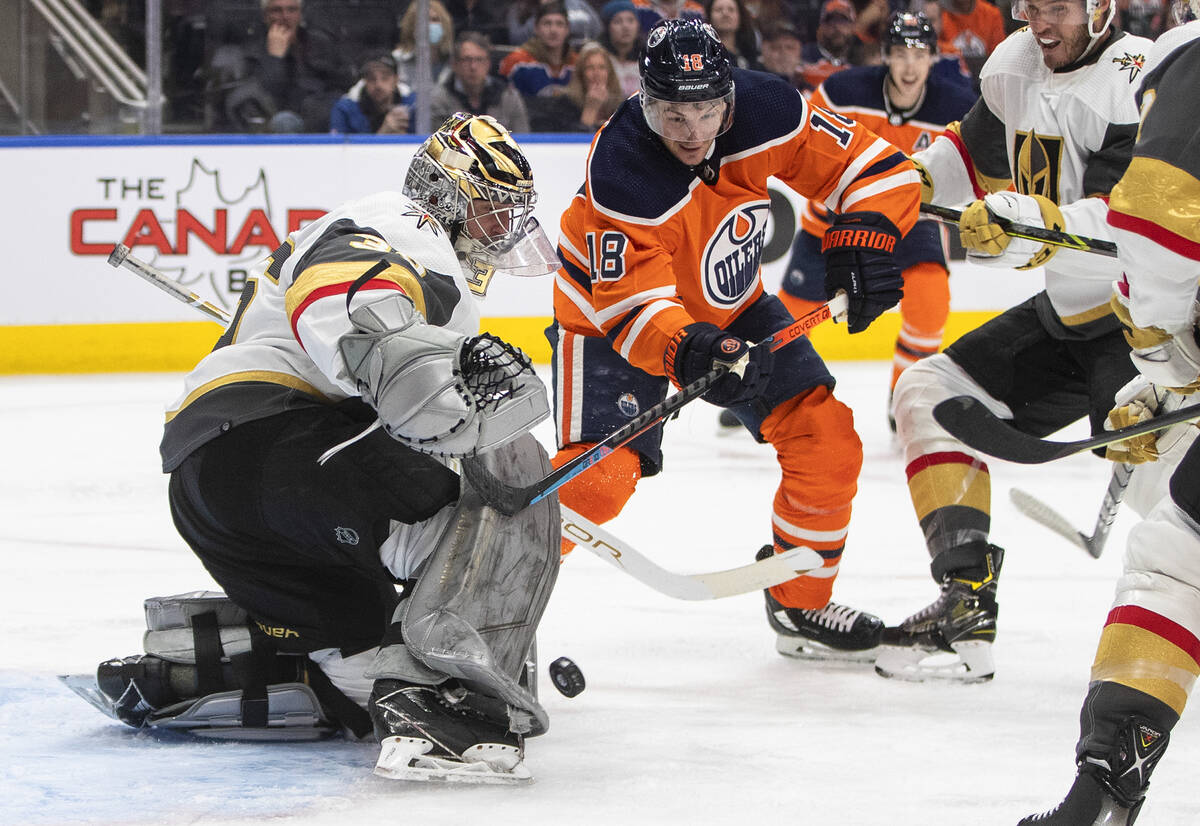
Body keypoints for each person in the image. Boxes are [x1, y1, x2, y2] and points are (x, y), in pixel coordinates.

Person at [81, 114, 563, 784]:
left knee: (363, 669)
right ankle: (438, 705)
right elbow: (340, 288)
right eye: (490, 214)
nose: (502, 233)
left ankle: (203, 666)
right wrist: (423, 385)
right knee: (500, 504)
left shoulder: (406, 247)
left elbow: (376, 400)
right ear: (448, 200)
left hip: (216, 487)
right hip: (279, 446)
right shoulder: (404, 222)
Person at [548, 19, 920, 660]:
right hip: (610, 321)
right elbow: (633, 308)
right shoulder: (623, 166)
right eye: (673, 116)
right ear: (645, 101)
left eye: (706, 111)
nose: (692, 134)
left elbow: (876, 167)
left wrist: (866, 234)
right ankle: (467, 597)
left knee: (827, 441)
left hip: (731, 305)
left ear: (728, 98)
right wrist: (688, 348)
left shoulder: (770, 111)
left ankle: (801, 602)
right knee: (597, 485)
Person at [874, 0, 1154, 683]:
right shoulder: (1017, 63)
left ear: (1100, 8)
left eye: (1055, 7)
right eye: (1028, 6)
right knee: (926, 392)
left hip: (1150, 325)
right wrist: (909, 181)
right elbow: (972, 151)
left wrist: (1033, 220)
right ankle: (965, 605)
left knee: (1165, 500)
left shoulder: (1144, 75)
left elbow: (1133, 223)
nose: (1039, 23)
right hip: (1068, 312)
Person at [1018, 15, 1200, 825]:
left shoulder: (1187, 50)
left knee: (1175, 561)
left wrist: (1161, 369)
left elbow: (1159, 220)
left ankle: (1106, 792)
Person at [776, 12, 976, 426]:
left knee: (930, 299)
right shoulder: (841, 90)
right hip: (836, 221)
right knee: (790, 317)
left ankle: (905, 395)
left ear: (934, 58)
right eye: (900, 53)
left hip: (910, 221)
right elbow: (803, 148)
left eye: (919, 54)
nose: (909, 65)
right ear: (884, 55)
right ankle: (770, 391)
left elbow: (978, 168)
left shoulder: (957, 106)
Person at [208, 0, 352, 132]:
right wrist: (274, 59)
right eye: (277, 10)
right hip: (272, 129)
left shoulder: (321, 44)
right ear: (265, 16)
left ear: (300, 15)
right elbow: (258, 99)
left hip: (321, 125)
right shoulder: (249, 54)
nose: (285, 16)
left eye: (292, 10)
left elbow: (343, 84)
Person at [430, 32, 532, 131]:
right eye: (467, 59)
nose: (473, 67)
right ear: (454, 64)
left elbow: (523, 141)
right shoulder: (438, 100)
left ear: (488, 64)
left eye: (479, 60)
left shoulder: (508, 97)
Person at [528, 41, 625, 131]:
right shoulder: (565, 105)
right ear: (581, 74)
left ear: (610, 73)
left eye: (602, 67)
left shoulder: (622, 107)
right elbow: (573, 144)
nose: (596, 74)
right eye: (590, 68)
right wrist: (591, 109)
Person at [500, 1, 578, 98]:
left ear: (567, 29)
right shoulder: (516, 61)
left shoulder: (578, 63)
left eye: (559, 24)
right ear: (536, 28)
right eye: (547, 23)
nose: (553, 30)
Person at [329, 53, 415, 135]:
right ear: (364, 81)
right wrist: (384, 133)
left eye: (385, 78)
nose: (378, 85)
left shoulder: (415, 104)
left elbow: (426, 145)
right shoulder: (345, 109)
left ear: (396, 80)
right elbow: (337, 148)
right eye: (371, 78)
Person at [798, 0, 862, 94]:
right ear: (821, 27)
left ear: (853, 27)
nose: (837, 27)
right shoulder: (803, 55)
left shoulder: (861, 59)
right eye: (831, 21)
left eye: (843, 21)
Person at [393, 0, 455, 87]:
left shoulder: (454, 61)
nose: (429, 26)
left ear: (444, 25)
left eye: (435, 19)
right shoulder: (397, 60)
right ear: (412, 27)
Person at [599, 0, 646, 97]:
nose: (625, 27)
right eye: (617, 22)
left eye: (631, 20)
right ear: (607, 27)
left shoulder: (648, 58)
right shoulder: (599, 57)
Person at [938, 0, 1007, 64]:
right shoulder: (938, 13)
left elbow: (999, 57)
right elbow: (932, 48)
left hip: (983, 73)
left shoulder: (992, 14)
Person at [706, 0, 763, 69]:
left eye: (731, 10)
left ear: (740, 16)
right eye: (719, 10)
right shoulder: (705, 55)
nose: (725, 14)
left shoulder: (750, 54)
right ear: (709, 16)